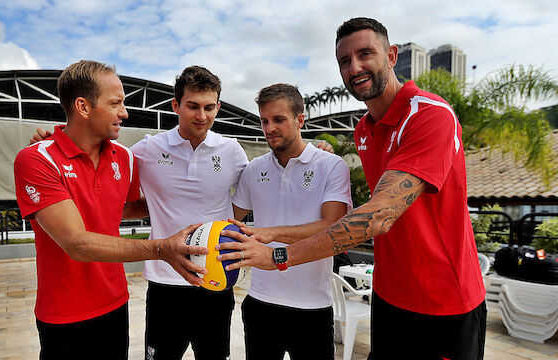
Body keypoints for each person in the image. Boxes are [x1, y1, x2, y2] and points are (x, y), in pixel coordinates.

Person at [219, 18, 487, 359]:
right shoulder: (363, 130)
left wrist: (277, 255)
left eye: (365, 54)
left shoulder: (429, 115)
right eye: (344, 61)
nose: (354, 67)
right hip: (389, 297)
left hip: (445, 300)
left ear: (391, 56)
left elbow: (377, 217)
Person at [13, 60, 207, 360]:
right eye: (115, 103)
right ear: (83, 106)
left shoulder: (125, 158)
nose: (124, 113)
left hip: (116, 305)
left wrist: (192, 202)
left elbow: (125, 208)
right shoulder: (38, 160)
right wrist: (161, 249)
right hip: (64, 314)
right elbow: (76, 243)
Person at [126, 65, 249, 360]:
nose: (202, 115)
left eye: (209, 107)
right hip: (165, 282)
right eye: (192, 106)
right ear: (176, 105)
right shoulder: (147, 149)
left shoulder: (232, 151)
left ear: (218, 107)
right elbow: (103, 171)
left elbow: (255, 194)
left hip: (215, 280)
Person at [230, 83, 351, 359]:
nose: (269, 128)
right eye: (264, 120)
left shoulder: (331, 166)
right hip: (260, 302)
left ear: (300, 120)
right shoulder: (253, 169)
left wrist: (272, 233)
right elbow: (227, 220)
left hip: (312, 308)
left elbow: (333, 229)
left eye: (278, 120)